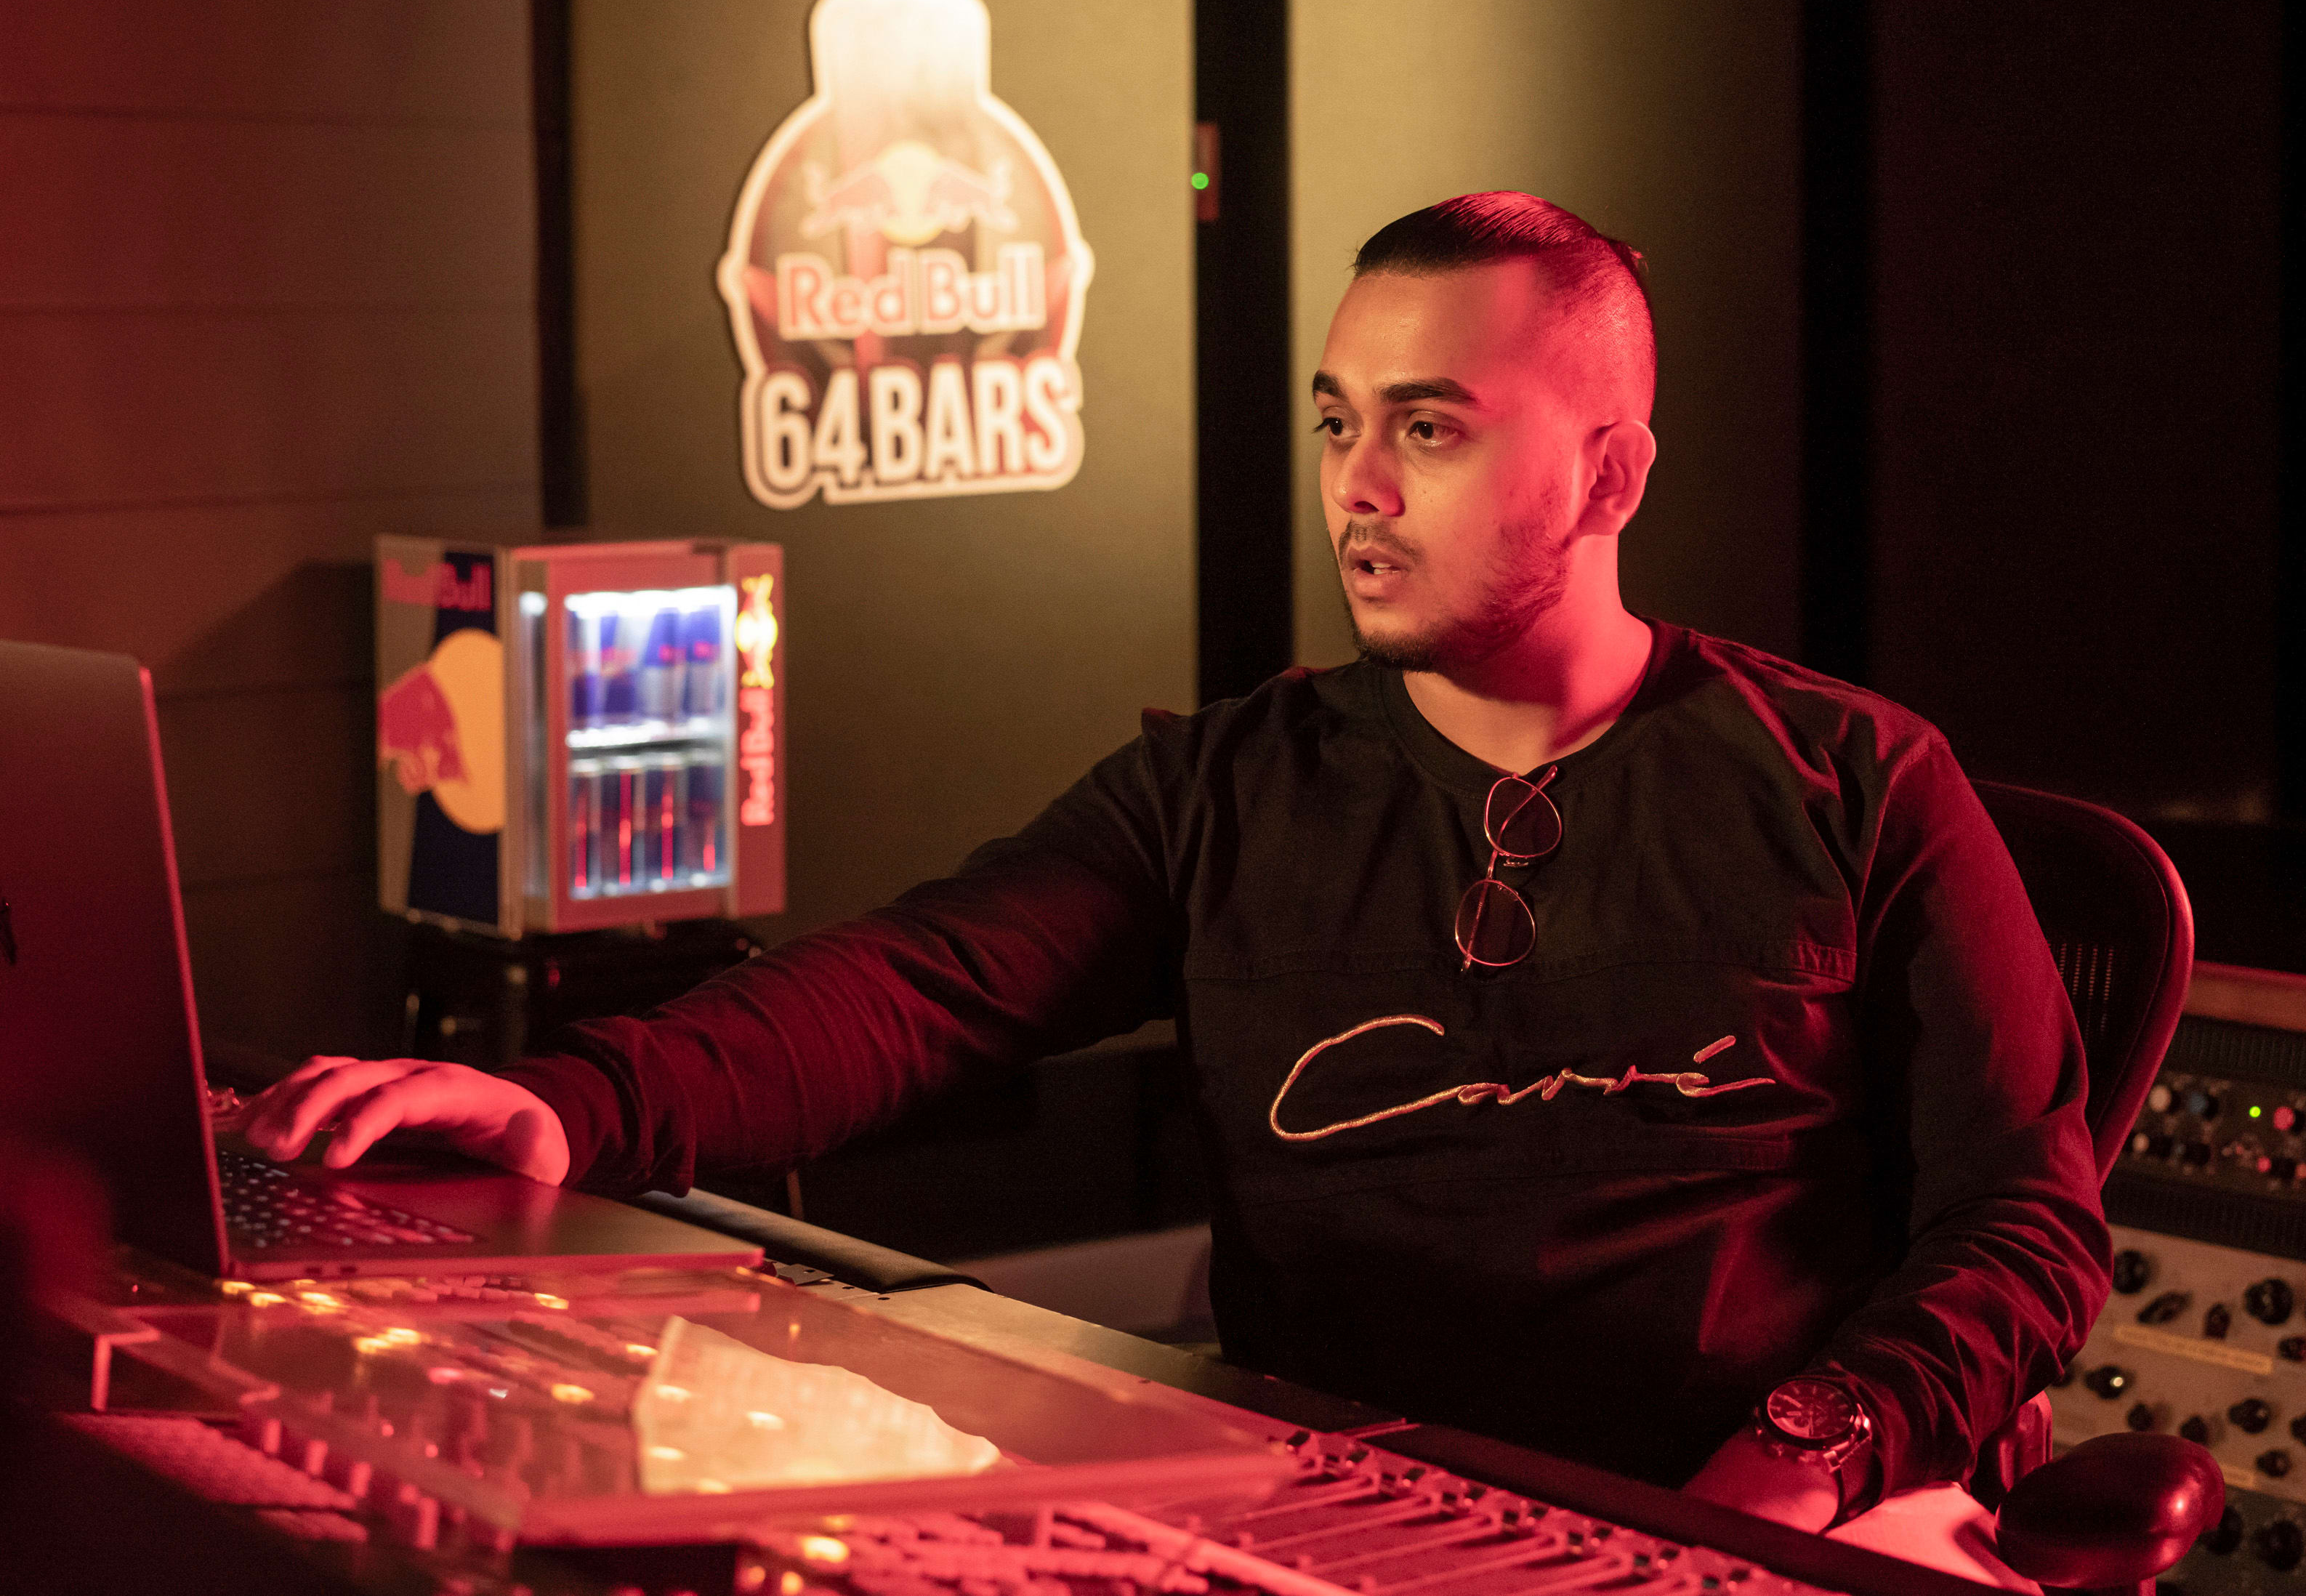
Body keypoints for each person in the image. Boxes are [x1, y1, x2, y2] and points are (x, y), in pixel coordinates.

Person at [243, 193, 2108, 1533]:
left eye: (1429, 428)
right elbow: (915, 984)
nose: (1356, 485)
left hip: (1767, 1511)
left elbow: (2026, 1223)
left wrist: (1795, 1465)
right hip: (1350, 1513)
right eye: (1337, 421)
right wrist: (567, 1105)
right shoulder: (1223, 786)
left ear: (1610, 477)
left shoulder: (1855, 778)